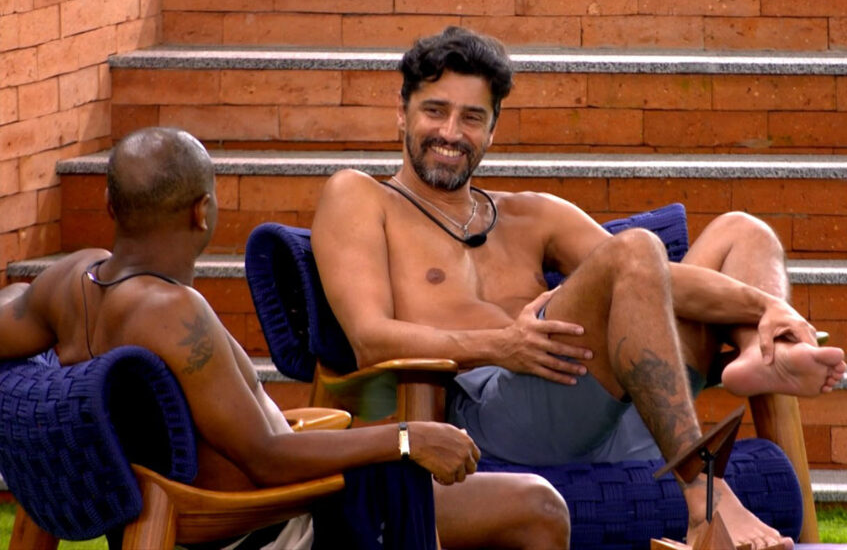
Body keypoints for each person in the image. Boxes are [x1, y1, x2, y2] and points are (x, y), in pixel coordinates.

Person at [311, 26, 847, 550]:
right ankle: (705, 495)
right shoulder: (361, 197)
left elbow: (660, 279)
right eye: (435, 111)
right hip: (499, 415)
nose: (451, 133)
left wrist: (769, 307)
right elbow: (370, 338)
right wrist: (503, 346)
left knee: (743, 231)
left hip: (624, 406)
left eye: (471, 117)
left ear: (493, 129)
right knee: (635, 249)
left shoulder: (532, 214)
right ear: (401, 112)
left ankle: (762, 350)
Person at [0, 127, 570, 550]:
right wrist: (405, 437)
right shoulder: (173, 313)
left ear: (110, 205)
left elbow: (9, 318)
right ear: (202, 212)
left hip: (230, 504)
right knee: (539, 508)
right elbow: (266, 458)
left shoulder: (72, 281)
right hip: (270, 523)